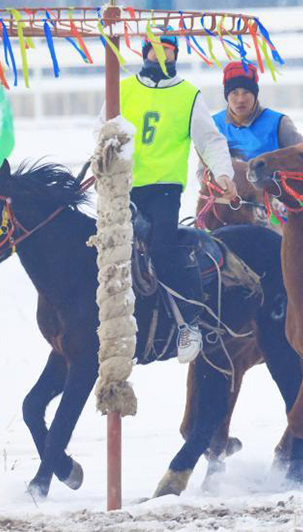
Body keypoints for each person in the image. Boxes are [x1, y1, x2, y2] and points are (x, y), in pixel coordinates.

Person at [108, 33, 238, 364]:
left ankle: (188, 324)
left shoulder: (187, 94)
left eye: (169, 51)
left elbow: (210, 140)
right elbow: (103, 132)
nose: (162, 57)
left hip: (164, 189)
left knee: (162, 249)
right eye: (156, 51)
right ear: (145, 53)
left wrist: (224, 174)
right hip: (123, 186)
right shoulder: (122, 90)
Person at [212, 61, 303, 160]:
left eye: (246, 92)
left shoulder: (278, 123)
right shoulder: (214, 124)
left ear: (255, 95)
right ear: (227, 96)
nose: (240, 100)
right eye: (234, 93)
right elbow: (203, 169)